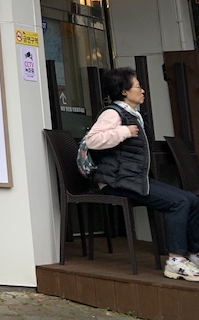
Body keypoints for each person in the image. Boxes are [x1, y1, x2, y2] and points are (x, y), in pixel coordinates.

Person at [83, 68, 199, 281]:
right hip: (116, 181)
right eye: (138, 86)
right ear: (124, 91)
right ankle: (175, 261)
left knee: (191, 199)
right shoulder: (113, 113)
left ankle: (193, 254)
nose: (143, 90)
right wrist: (123, 132)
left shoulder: (134, 114)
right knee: (179, 202)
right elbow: (92, 140)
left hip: (132, 178)